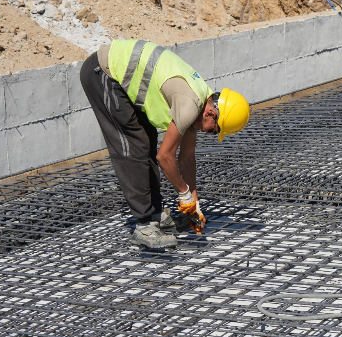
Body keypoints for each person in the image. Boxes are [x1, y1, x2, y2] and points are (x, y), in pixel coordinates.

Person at [80, 39, 250, 248]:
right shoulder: (189, 104)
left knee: (147, 140)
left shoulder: (201, 102)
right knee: (132, 147)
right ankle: (144, 226)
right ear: (211, 113)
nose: (209, 134)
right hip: (104, 73)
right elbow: (165, 157)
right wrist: (183, 193)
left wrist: (194, 205)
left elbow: (186, 159)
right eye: (214, 130)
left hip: (121, 79)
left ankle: (155, 215)